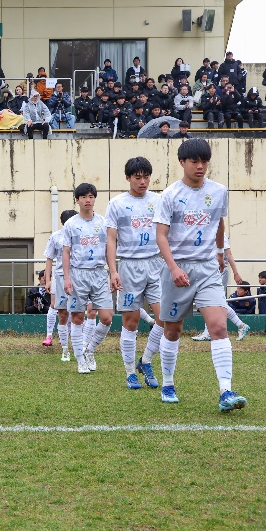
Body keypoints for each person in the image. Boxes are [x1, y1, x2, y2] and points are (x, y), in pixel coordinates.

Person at [154, 138, 247, 411]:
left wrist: (219, 251)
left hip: (207, 267)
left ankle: (226, 392)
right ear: (182, 162)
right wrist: (173, 267)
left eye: (204, 161)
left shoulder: (218, 191)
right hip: (177, 268)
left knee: (219, 327)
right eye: (194, 161)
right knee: (173, 330)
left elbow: (218, 222)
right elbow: (161, 236)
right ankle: (168, 383)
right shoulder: (169, 195)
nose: (200, 166)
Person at [105, 157, 164, 389]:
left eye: (146, 177)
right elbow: (110, 239)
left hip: (156, 265)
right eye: (137, 177)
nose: (143, 181)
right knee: (130, 323)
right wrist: (113, 271)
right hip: (129, 266)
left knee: (165, 320)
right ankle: (130, 372)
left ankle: (145, 361)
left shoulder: (159, 200)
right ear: (128, 178)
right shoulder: (117, 204)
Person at [62, 184, 114, 374]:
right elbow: (66, 252)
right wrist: (67, 278)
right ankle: (80, 360)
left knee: (107, 317)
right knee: (76, 317)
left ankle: (90, 350)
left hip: (99, 273)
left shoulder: (103, 222)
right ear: (77, 200)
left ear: (94, 199)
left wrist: (113, 272)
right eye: (83, 197)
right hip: (78, 274)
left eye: (91, 196)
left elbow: (110, 249)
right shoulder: (71, 224)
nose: (87, 200)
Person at [191, 233, 251, 341]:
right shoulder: (206, 230)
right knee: (210, 301)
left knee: (214, 302)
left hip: (219, 271)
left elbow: (228, 254)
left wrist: (236, 273)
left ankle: (211, 331)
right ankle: (239, 325)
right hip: (208, 270)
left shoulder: (219, 234)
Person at [43, 209, 76, 354]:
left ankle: (67, 337)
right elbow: (49, 258)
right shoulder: (56, 237)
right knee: (55, 306)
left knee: (74, 308)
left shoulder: (80, 235)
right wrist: (48, 279)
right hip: (60, 277)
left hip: (77, 276)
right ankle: (49, 335)